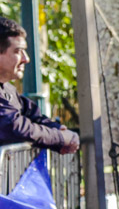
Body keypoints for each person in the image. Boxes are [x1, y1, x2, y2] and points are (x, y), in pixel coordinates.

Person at [0, 17, 78, 153]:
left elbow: (32, 116)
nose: (26, 59)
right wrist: (60, 138)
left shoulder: (8, 90)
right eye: (18, 51)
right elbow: (14, 127)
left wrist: (57, 130)